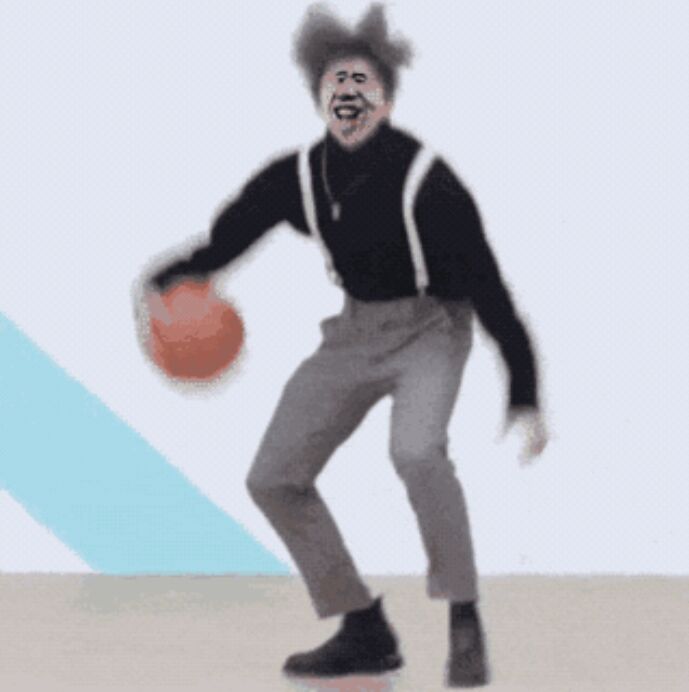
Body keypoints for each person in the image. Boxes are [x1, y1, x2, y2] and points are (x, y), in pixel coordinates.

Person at [147, 4, 548, 687]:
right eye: (336, 82)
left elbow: (487, 287)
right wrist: (168, 279)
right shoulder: (300, 177)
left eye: (363, 82)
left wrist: (524, 392)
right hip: (355, 331)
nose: (349, 93)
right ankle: (363, 628)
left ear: (386, 100)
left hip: (430, 328)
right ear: (318, 98)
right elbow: (229, 237)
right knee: (273, 477)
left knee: (415, 451)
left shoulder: (429, 183)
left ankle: (463, 615)